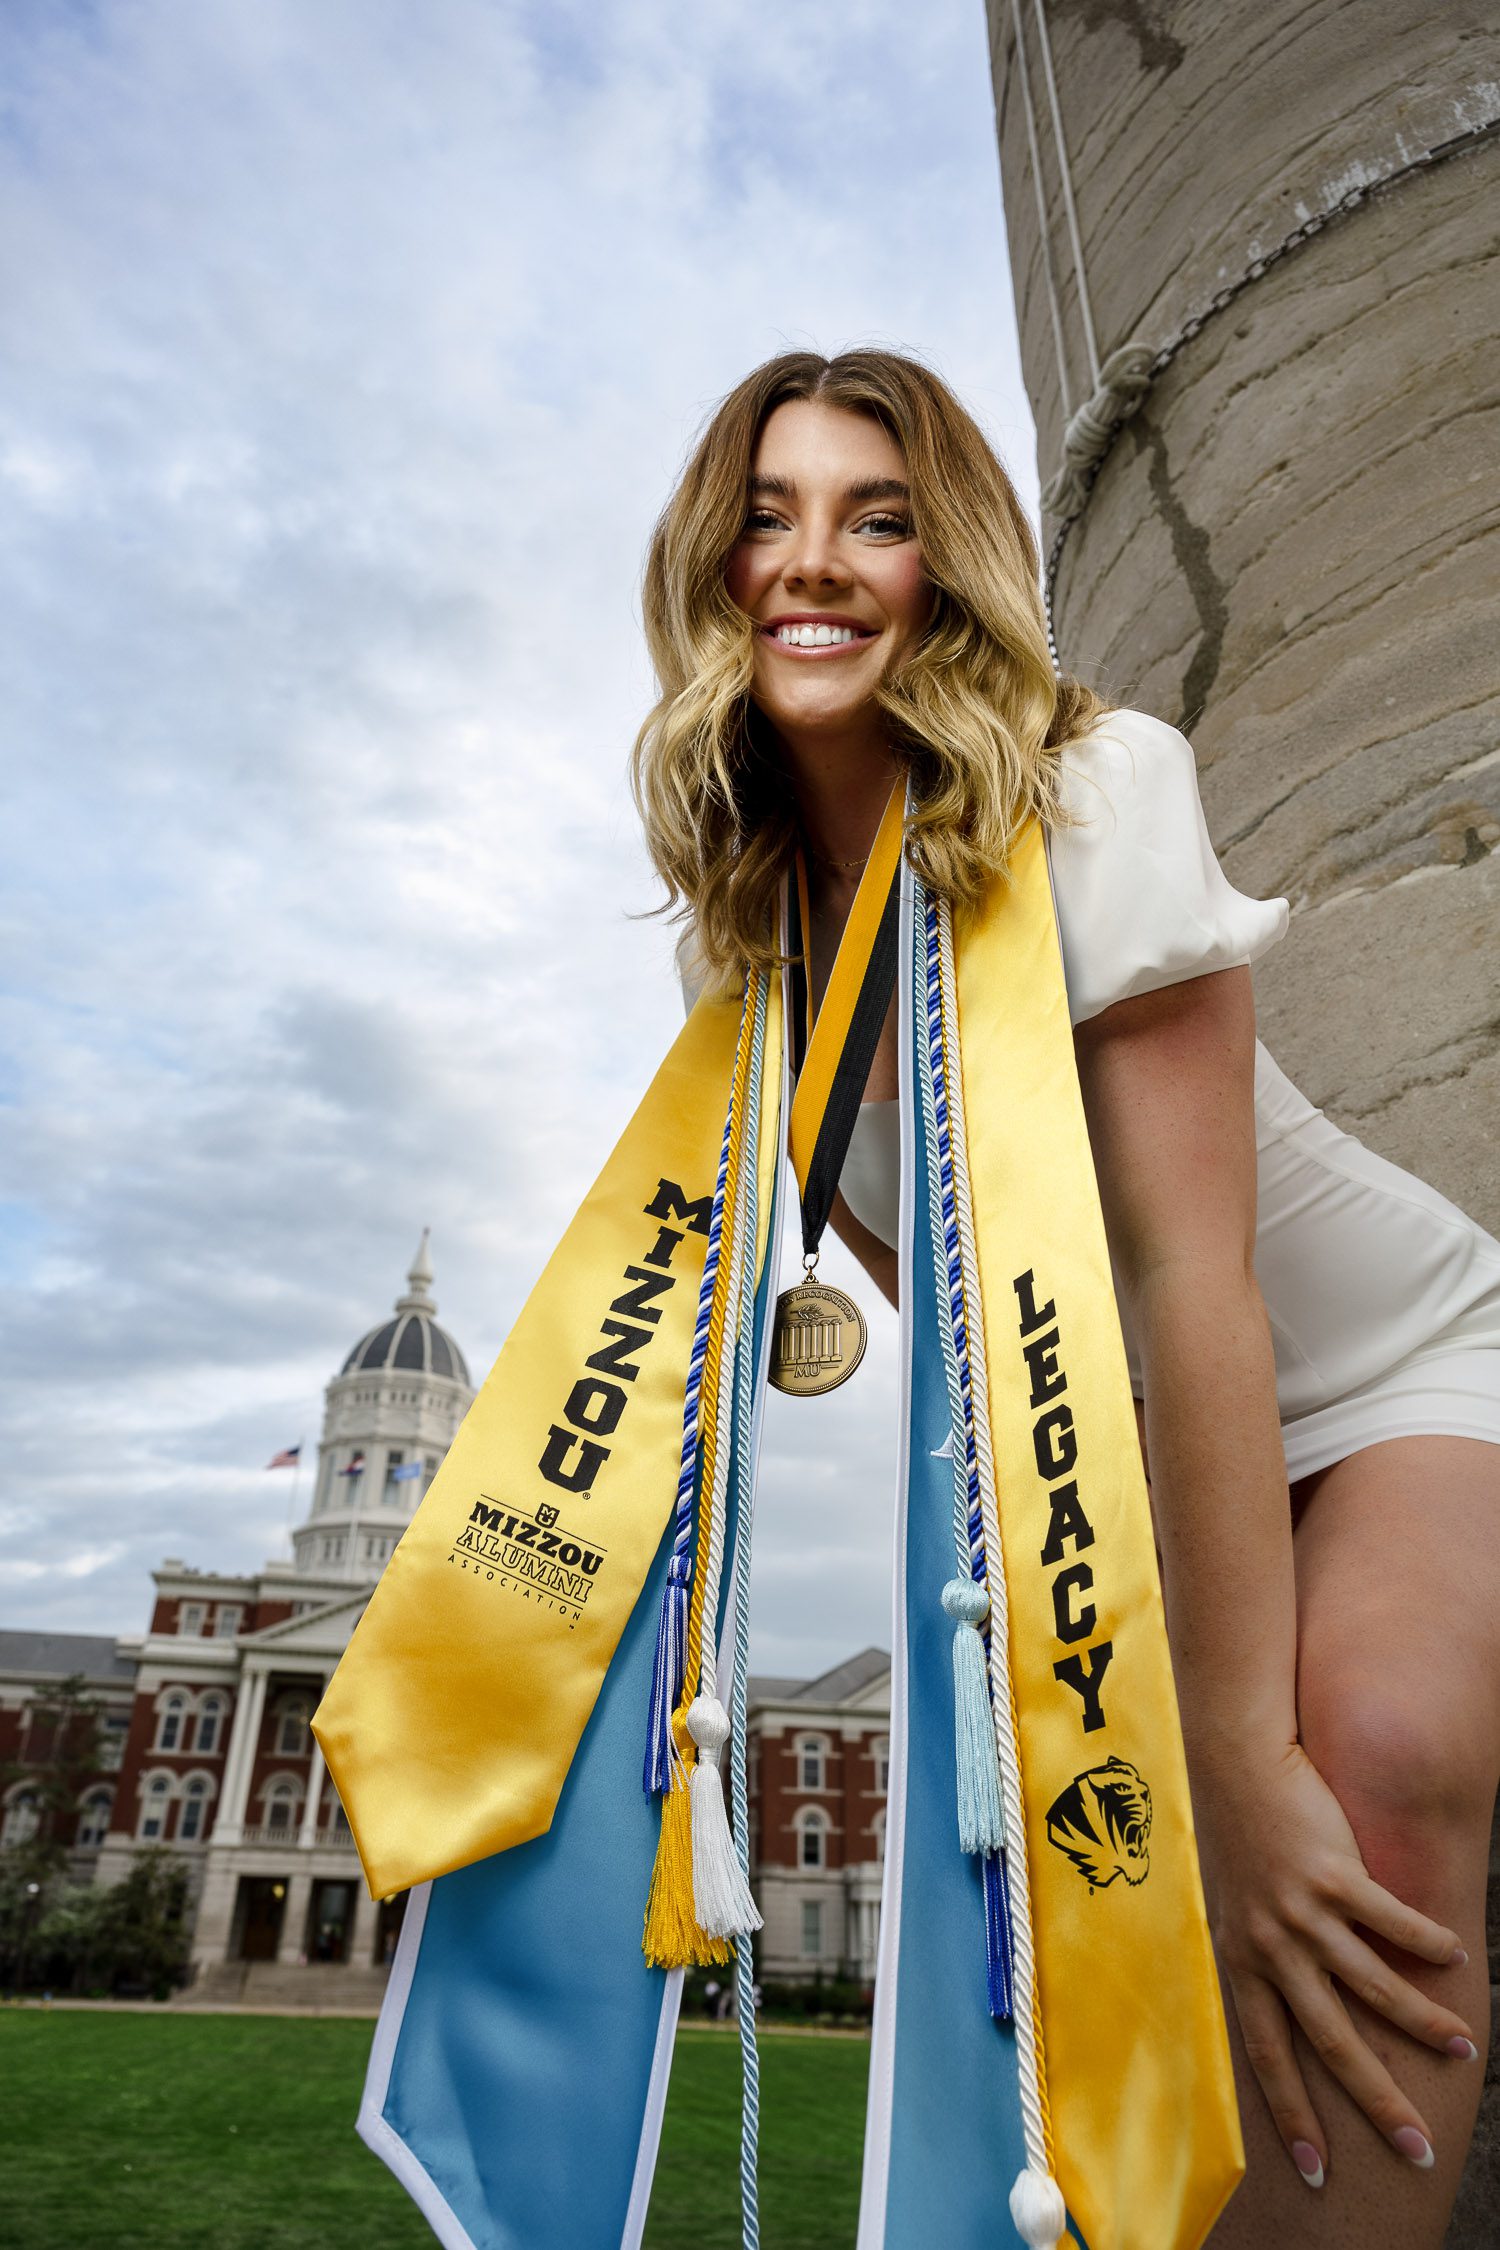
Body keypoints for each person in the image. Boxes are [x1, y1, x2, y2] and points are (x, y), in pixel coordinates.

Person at [635, 347, 1500, 2247]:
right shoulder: (762, 953)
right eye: (769, 516)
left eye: (877, 517)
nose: (817, 560)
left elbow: (1184, 1275)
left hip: (1382, 1371)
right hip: (1112, 1454)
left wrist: (1236, 1749)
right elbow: (965, 1333)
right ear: (715, 571)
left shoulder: (1091, 784)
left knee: (1365, 1759)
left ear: (945, 565)